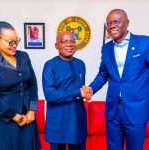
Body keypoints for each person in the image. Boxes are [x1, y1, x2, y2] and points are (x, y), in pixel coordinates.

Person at [83, 9, 149, 150]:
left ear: (127, 23)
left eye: (116, 21)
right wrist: (91, 88)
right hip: (113, 110)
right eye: (109, 23)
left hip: (136, 109)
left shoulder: (144, 43)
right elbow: (103, 74)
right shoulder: (106, 48)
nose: (112, 25)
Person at [42, 31, 87, 150]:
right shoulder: (50, 65)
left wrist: (86, 92)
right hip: (58, 123)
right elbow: (50, 95)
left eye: (72, 41)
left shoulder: (81, 64)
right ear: (56, 45)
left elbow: (80, 90)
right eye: (64, 41)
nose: (69, 44)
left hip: (78, 121)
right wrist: (78, 93)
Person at [0, 21, 41, 150]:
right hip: (6, 120)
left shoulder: (24, 56)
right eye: (10, 42)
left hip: (28, 118)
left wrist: (32, 110)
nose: (15, 45)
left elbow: (32, 84)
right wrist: (14, 116)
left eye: (16, 41)